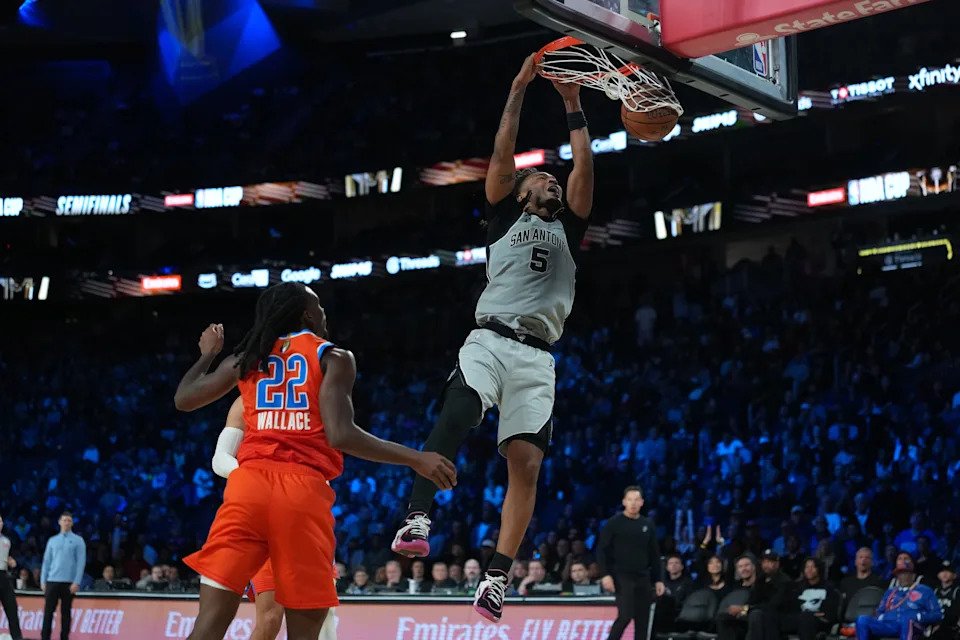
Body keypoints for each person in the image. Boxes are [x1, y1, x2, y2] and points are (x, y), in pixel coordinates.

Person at [391, 50, 594, 625]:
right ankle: (418, 515)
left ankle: (497, 578)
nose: (551, 179)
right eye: (541, 178)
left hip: (538, 357)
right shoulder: (505, 213)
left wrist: (575, 107)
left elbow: (584, 168)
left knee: (526, 466)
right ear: (522, 191)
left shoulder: (570, 224)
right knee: (459, 409)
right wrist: (518, 88)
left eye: (553, 179)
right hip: (490, 339)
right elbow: (504, 152)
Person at [172, 282, 456, 640]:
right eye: (318, 305)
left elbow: (184, 399)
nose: (324, 312)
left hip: (247, 489)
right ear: (307, 314)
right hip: (301, 492)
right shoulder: (333, 357)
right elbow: (341, 434)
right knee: (306, 632)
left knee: (208, 626)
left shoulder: (247, 358)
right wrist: (415, 458)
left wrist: (208, 354)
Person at [597, 487, 665, 640]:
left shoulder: (647, 525)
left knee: (643, 621)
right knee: (625, 616)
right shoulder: (613, 523)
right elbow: (602, 551)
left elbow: (654, 554)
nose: (633, 503)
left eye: (636, 500)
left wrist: (658, 579)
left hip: (643, 577)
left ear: (641, 502)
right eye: (630, 500)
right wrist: (605, 575)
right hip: (621, 575)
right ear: (624, 502)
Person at [856, 553, 942, 640]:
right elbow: (879, 612)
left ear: (913, 575)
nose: (903, 576)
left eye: (906, 573)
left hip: (912, 625)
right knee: (862, 620)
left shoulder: (925, 591)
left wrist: (918, 617)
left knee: (906, 621)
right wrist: (882, 617)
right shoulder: (890, 592)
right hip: (888, 625)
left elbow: (937, 615)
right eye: (900, 574)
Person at [764, 557, 840, 640]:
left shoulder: (829, 588)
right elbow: (789, 607)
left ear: (819, 569)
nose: (809, 570)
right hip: (797, 619)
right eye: (807, 567)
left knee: (806, 617)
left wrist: (812, 614)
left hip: (818, 622)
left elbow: (830, 613)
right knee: (771, 616)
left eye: (813, 567)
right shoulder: (797, 587)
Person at [40, 512, 86, 640]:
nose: (66, 523)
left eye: (69, 521)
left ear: (72, 523)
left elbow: (81, 563)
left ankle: (64, 638)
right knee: (48, 612)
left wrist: (76, 582)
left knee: (66, 613)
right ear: (59, 522)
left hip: (68, 582)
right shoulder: (52, 540)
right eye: (64, 520)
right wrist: (43, 581)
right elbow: (46, 561)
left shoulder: (78, 541)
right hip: (52, 581)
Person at [0, 514, 24, 640]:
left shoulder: (6, 541)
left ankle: (17, 637)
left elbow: (9, 558)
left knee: (12, 609)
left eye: (0, 521)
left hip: (3, 576)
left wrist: (12, 563)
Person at [933, 561, 959, 640]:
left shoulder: (957, 591)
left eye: (948, 571)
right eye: (942, 571)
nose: (945, 573)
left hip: (952, 630)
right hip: (936, 628)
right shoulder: (935, 591)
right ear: (938, 575)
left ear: (954, 575)